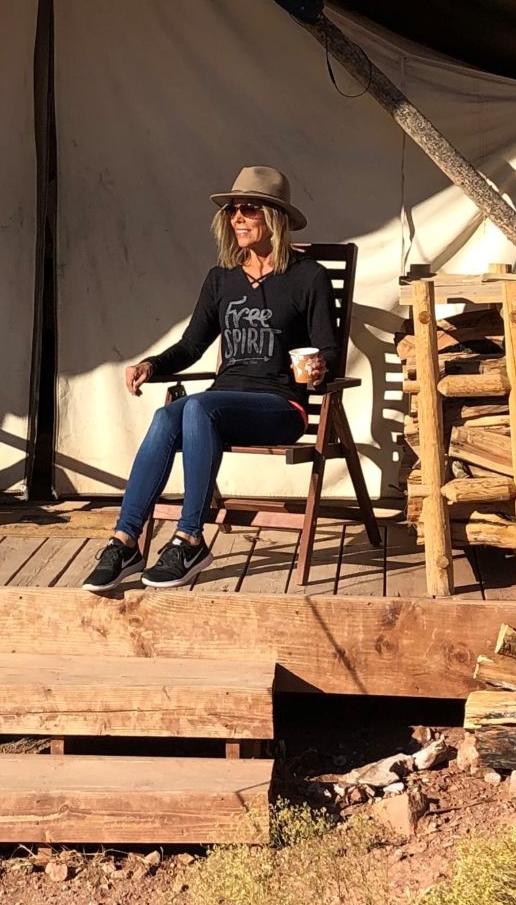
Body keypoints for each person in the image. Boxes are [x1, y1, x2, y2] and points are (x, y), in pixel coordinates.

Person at [83, 166, 342, 592]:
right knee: (169, 416)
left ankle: (189, 538)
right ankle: (125, 539)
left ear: (273, 217)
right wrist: (151, 363)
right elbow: (191, 345)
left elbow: (328, 349)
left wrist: (317, 368)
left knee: (200, 406)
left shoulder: (308, 277)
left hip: (281, 405)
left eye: (248, 209)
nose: (236, 217)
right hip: (223, 403)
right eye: (232, 210)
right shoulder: (221, 278)